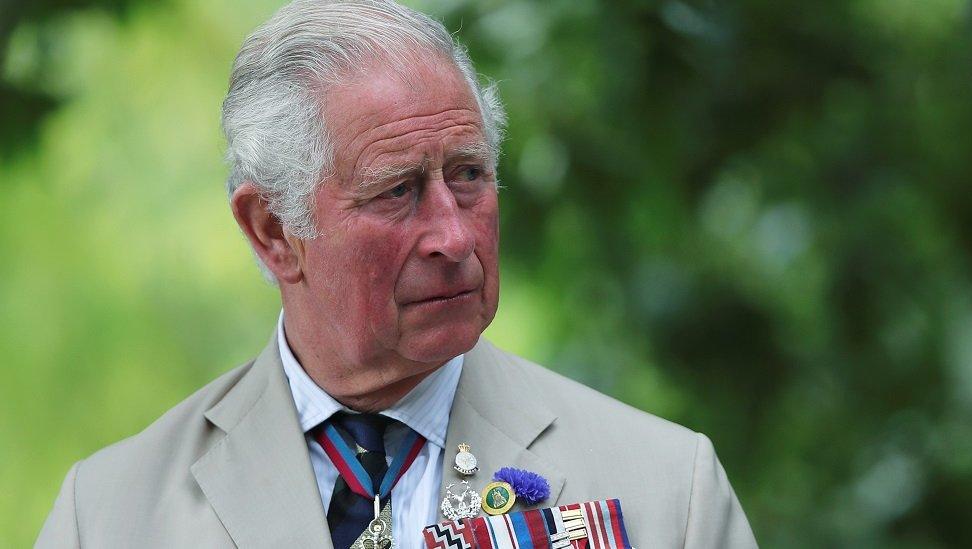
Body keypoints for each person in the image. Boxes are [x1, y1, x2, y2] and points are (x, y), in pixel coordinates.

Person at [36, 1, 757, 547]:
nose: (452, 233)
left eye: (469, 174)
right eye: (397, 190)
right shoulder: (106, 515)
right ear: (274, 230)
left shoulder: (668, 489)